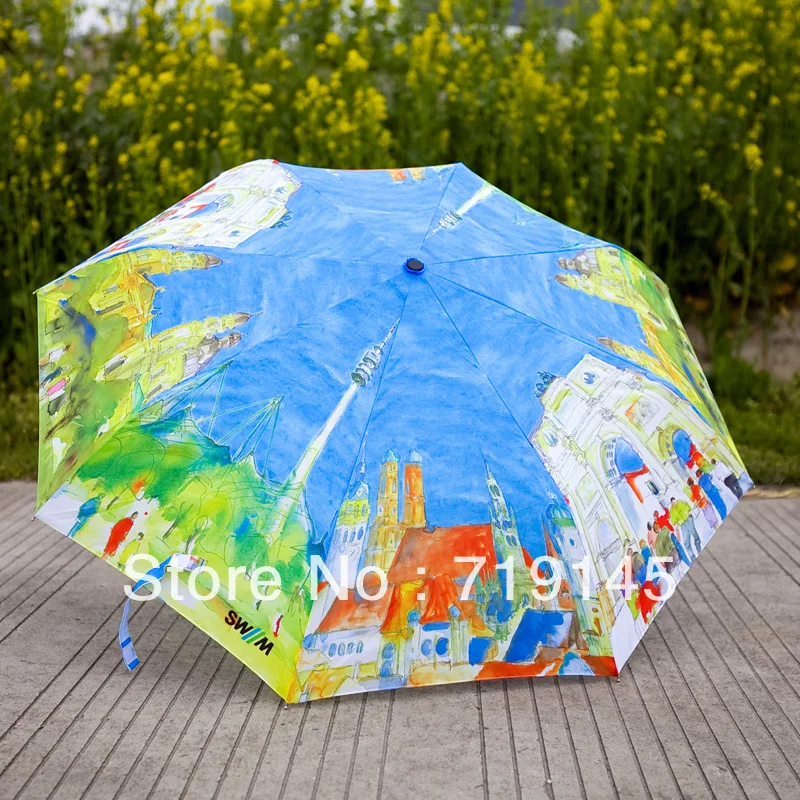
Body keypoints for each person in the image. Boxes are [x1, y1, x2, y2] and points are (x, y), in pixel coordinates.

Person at [669, 495, 702, 560]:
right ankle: (692, 557)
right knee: (686, 542)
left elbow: (689, 509)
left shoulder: (681, 502)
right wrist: (678, 535)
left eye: (675, 502)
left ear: (676, 500)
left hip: (688, 520)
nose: (674, 503)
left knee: (695, 535)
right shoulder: (672, 511)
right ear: (671, 504)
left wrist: (690, 516)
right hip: (683, 525)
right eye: (673, 503)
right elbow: (675, 523)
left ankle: (699, 550)